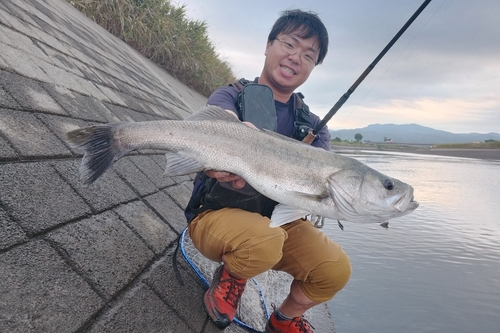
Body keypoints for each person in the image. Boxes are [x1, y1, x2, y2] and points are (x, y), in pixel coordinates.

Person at [185, 9, 352, 333]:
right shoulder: (231, 96)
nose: (295, 57)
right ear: (268, 44)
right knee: (264, 239)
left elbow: (316, 192)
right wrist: (231, 145)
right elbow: (215, 124)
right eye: (289, 44)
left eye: (308, 54)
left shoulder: (315, 128)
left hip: (277, 224)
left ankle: (284, 319)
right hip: (215, 216)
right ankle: (232, 278)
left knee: (335, 269)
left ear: (314, 66)